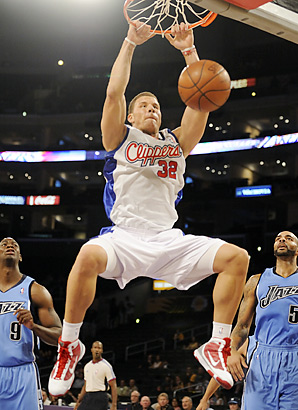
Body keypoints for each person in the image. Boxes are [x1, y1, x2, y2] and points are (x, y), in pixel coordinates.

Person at [48, 20, 249, 396]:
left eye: (156, 105)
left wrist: (189, 50)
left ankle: (216, 344)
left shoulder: (178, 142)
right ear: (131, 116)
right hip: (124, 238)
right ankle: (69, 344)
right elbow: (113, 94)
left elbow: (201, 99)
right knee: (87, 256)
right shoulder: (120, 138)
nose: (151, 108)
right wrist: (130, 42)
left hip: (168, 240)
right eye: (143, 105)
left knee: (237, 258)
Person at [197, 230, 298, 410]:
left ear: (297, 250)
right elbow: (242, 326)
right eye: (278, 238)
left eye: (289, 238)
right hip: (263, 356)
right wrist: (233, 351)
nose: (282, 240)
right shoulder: (256, 282)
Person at [0, 237, 62, 410]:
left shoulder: (35, 290)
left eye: (14, 245)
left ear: (20, 256)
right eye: (4, 244)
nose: (9, 245)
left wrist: (34, 326)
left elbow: (59, 336)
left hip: (23, 373)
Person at [74, 340, 117, 410]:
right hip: (88, 396)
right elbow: (85, 386)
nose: (97, 350)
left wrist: (114, 405)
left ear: (102, 351)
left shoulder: (106, 365)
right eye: (95, 347)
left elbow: (113, 385)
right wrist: (78, 402)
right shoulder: (87, 366)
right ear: (91, 350)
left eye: (99, 348)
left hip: (100, 397)